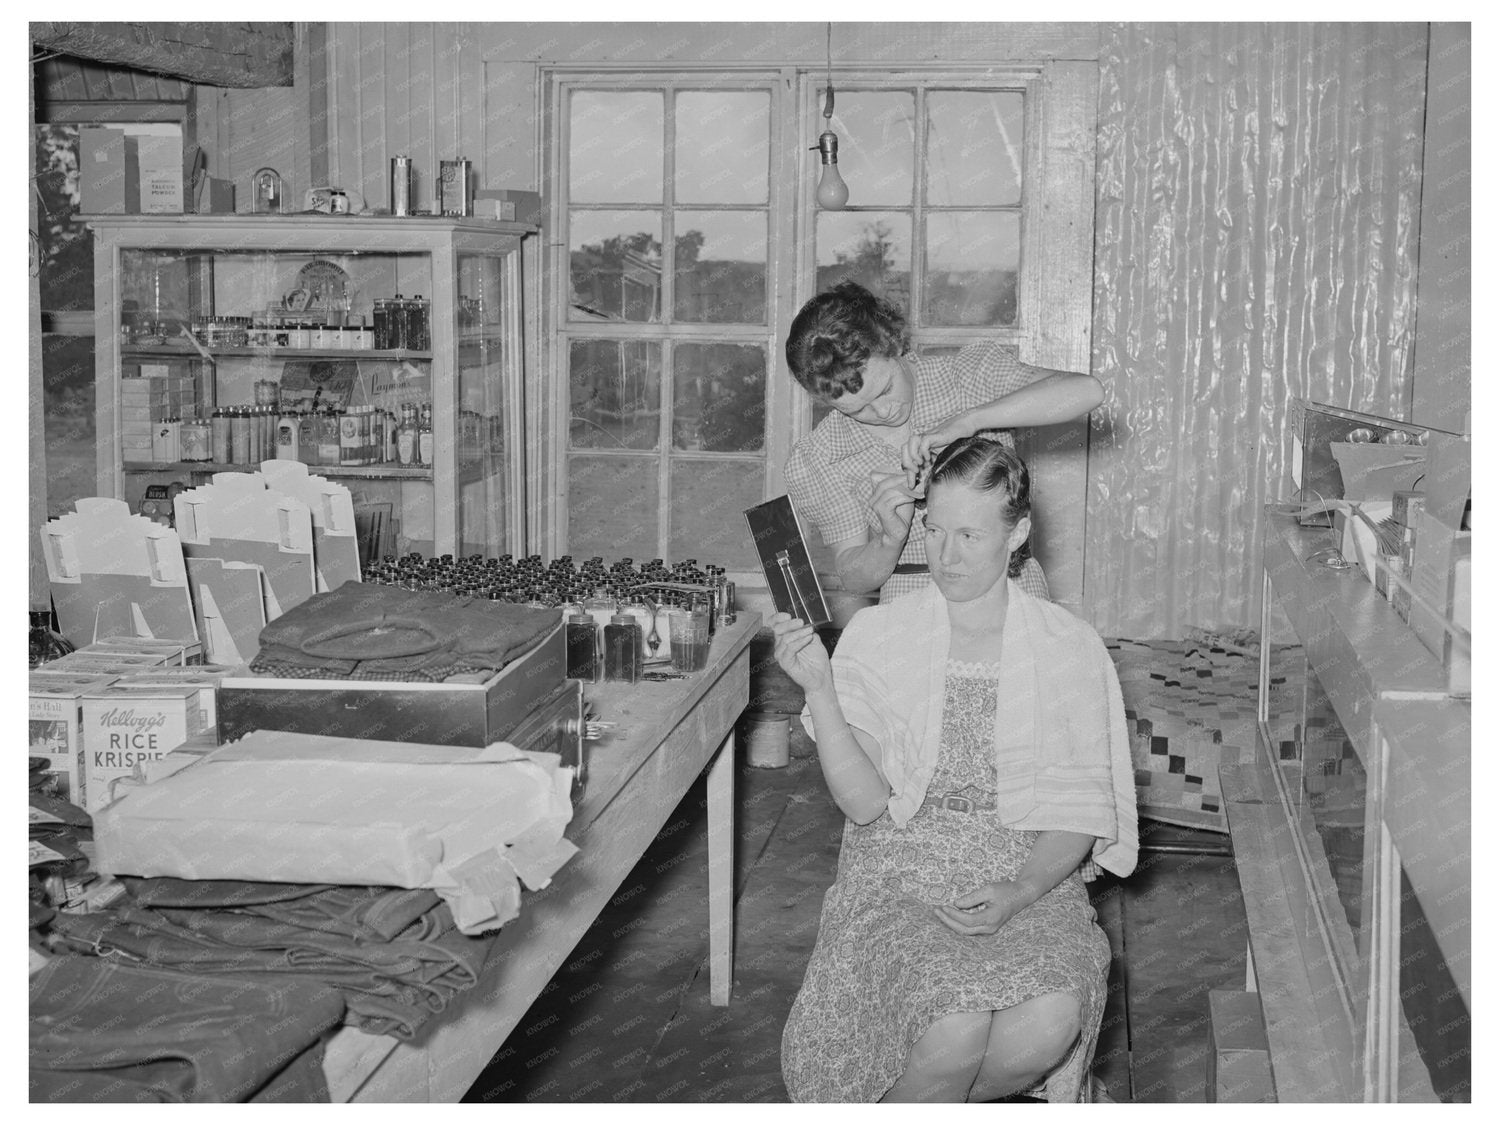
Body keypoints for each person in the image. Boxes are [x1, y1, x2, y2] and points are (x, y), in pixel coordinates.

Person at [772, 437, 1136, 1103]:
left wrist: (1020, 890)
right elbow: (863, 803)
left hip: (1023, 870)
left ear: (1016, 533)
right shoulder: (881, 635)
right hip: (902, 874)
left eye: (970, 534)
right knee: (955, 1026)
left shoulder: (1067, 647)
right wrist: (820, 690)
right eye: (935, 530)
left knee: (1050, 1022)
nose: (946, 555)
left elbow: (1079, 811)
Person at [783, 281, 1103, 604]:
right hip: (912, 609)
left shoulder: (966, 377)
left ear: (892, 342)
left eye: (885, 389)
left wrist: (969, 421)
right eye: (856, 410)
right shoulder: (821, 455)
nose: (883, 412)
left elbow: (1087, 391)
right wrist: (890, 539)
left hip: (1008, 590)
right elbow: (853, 579)